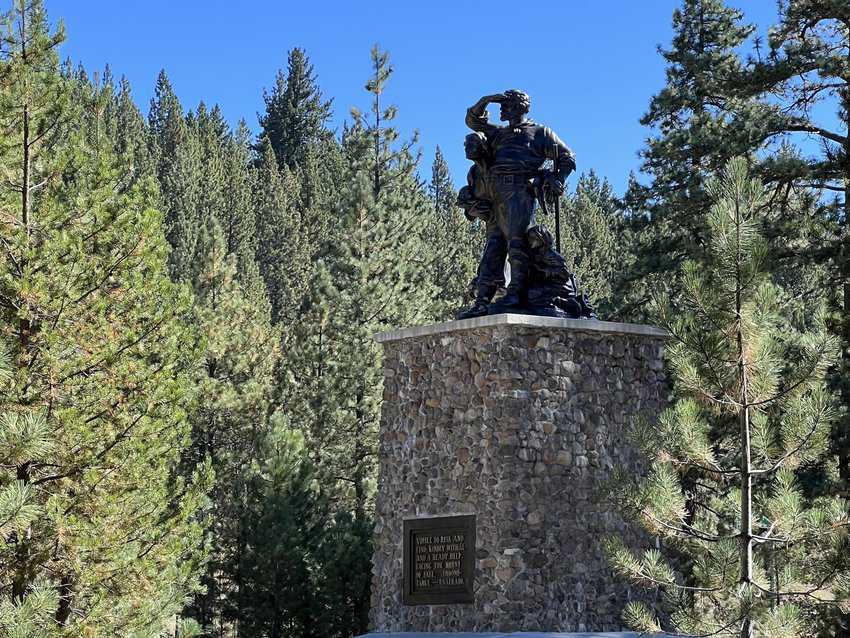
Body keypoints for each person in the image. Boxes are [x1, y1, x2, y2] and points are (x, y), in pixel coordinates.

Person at [461, 89, 576, 314]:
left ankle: (515, 293)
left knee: (516, 243)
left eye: (506, 105)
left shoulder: (540, 132)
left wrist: (556, 178)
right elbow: (473, 120)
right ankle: (483, 300)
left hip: (519, 191)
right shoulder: (498, 133)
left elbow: (567, 158)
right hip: (495, 195)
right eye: (501, 105)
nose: (501, 109)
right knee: (493, 246)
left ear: (518, 107)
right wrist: (486, 100)